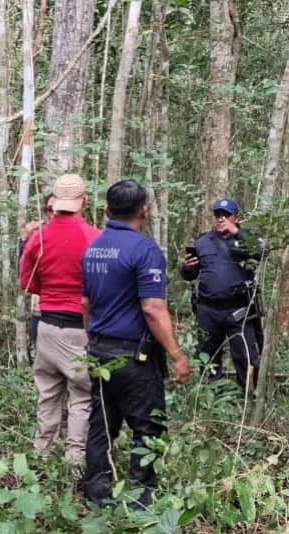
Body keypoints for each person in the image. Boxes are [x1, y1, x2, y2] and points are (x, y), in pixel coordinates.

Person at [82, 180, 190, 507]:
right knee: (148, 428)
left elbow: (85, 303)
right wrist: (176, 354)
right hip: (134, 357)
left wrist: (94, 339)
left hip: (99, 351)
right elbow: (152, 307)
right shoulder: (145, 251)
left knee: (101, 426)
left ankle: (97, 496)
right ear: (143, 210)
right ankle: (140, 502)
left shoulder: (93, 249)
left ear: (106, 211)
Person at [19, 175, 100, 465]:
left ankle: (42, 454)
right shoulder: (95, 238)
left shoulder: (37, 237)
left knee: (47, 393)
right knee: (81, 395)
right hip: (81, 330)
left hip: (47, 327)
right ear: (83, 202)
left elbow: (28, 284)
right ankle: (74, 458)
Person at [180, 198, 264, 389]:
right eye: (217, 215)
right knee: (207, 357)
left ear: (236, 218)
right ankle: (210, 396)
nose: (221, 219)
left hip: (239, 310)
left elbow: (263, 250)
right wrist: (186, 268)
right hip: (208, 310)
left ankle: (248, 396)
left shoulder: (247, 240)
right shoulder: (202, 242)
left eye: (226, 215)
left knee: (246, 356)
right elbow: (189, 275)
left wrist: (238, 233)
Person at [18, 194, 54, 345]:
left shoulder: (82, 233)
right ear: (46, 211)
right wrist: (25, 238)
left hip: (72, 314)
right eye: (50, 209)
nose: (55, 213)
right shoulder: (38, 236)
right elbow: (24, 273)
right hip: (41, 308)